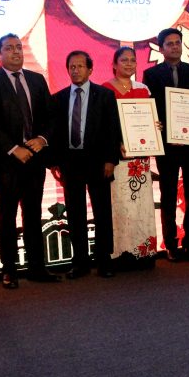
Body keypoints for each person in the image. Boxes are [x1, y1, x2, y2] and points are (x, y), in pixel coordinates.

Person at [0, 33, 58, 289]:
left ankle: (37, 267)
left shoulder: (37, 79)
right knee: (7, 214)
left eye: (19, 47)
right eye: (9, 48)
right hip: (5, 161)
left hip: (34, 157)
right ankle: (9, 269)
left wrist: (42, 139)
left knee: (33, 213)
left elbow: (51, 116)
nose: (16, 52)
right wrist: (13, 149)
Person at [51, 51, 121, 278]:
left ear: (90, 70)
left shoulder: (105, 95)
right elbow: (54, 133)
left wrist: (111, 159)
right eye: (72, 66)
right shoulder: (58, 98)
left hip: (99, 162)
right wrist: (54, 162)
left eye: (80, 66)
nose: (75, 70)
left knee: (102, 212)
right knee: (75, 213)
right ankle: (80, 262)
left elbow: (113, 129)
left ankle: (104, 260)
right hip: (70, 162)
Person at [143, 27, 189, 262]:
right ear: (161, 49)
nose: (174, 47)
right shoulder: (151, 74)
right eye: (169, 44)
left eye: (177, 42)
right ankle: (170, 244)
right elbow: (150, 107)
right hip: (166, 145)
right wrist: (155, 125)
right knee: (168, 195)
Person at [102, 47, 157, 269]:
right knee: (120, 206)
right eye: (123, 60)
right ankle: (120, 253)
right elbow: (104, 125)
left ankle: (144, 252)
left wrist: (156, 127)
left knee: (142, 205)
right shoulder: (105, 89)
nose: (128, 63)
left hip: (140, 160)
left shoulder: (143, 89)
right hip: (118, 159)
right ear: (114, 64)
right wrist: (116, 144)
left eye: (132, 60)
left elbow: (150, 119)